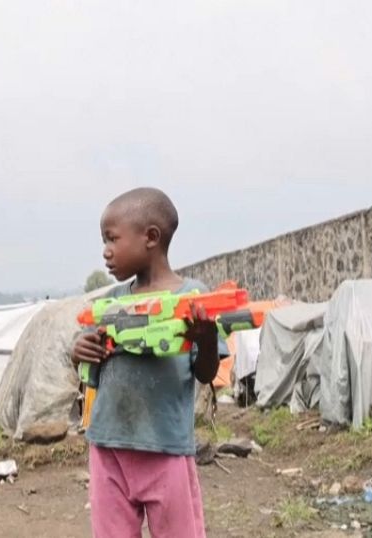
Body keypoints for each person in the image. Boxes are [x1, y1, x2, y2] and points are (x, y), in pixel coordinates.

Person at [72, 187, 228, 538]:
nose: (105, 252)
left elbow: (206, 373)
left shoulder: (191, 297)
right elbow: (89, 366)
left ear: (151, 238)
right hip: (108, 446)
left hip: (166, 448)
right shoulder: (110, 303)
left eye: (112, 239)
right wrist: (79, 350)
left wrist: (203, 338)